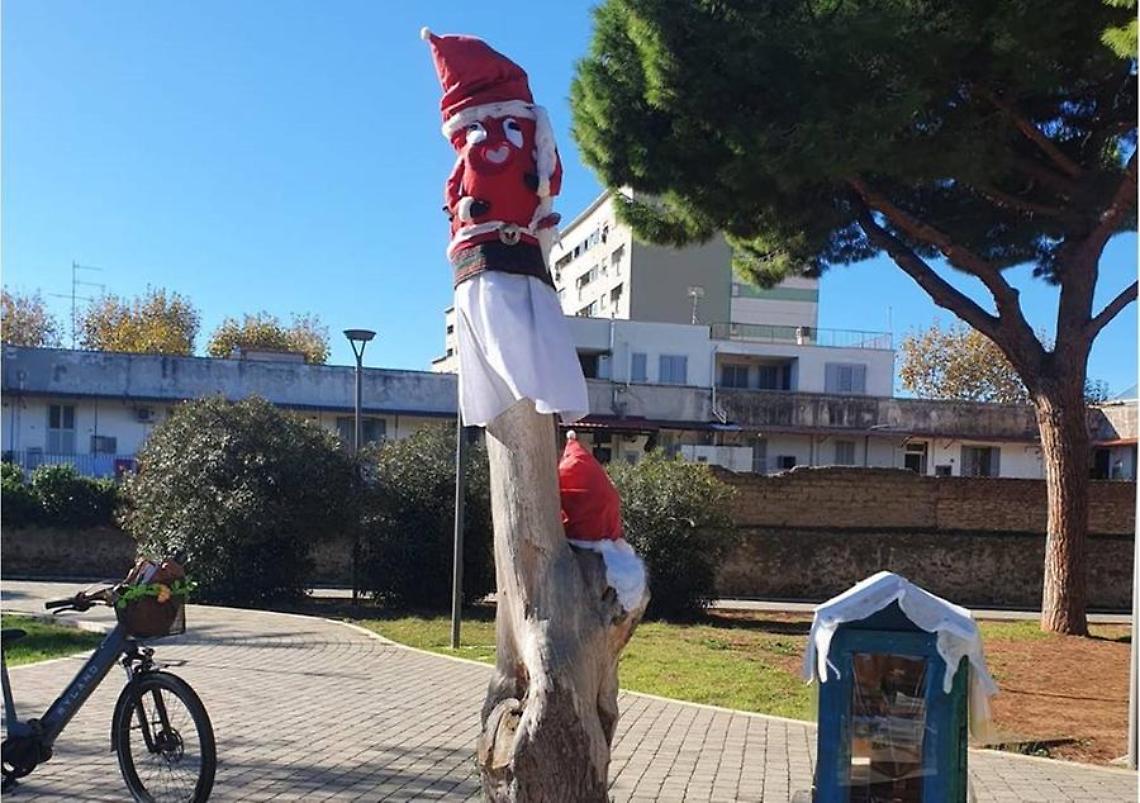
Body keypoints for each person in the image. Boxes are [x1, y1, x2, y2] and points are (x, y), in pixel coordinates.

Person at [421, 29, 588, 428]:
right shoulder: (477, 149)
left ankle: (536, 398)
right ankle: (518, 401)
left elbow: (552, 175)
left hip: (525, 249)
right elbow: (452, 191)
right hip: (480, 251)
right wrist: (465, 205)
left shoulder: (533, 142)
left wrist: (539, 188)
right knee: (495, 322)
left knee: (533, 325)